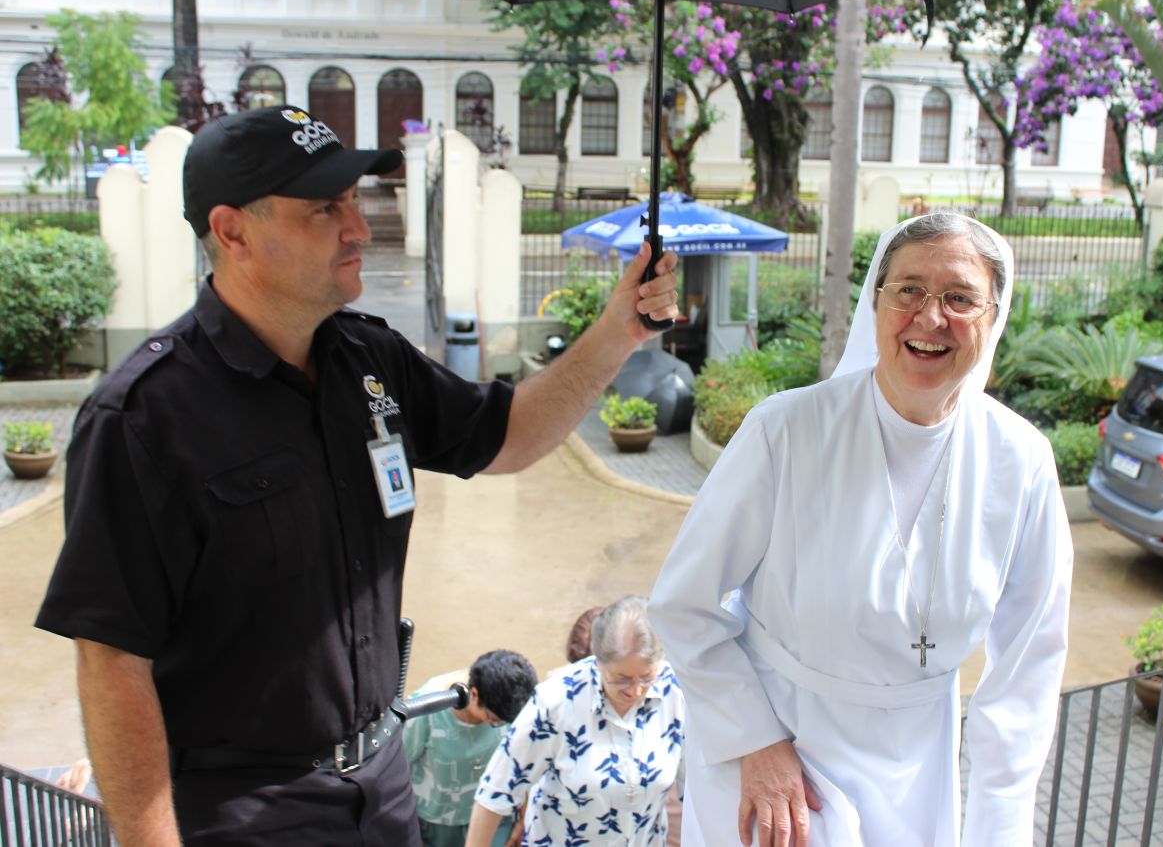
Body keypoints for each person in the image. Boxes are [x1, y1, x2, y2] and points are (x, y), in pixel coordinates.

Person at [33, 104, 678, 846]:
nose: (361, 227)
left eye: (355, 201)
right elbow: (113, 660)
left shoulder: (370, 361)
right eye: (325, 209)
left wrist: (619, 330)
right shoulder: (144, 417)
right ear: (232, 230)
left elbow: (508, 436)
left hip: (383, 787)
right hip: (249, 813)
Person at [648, 212, 1073, 846]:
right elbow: (684, 605)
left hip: (917, 771)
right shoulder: (786, 430)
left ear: (994, 316)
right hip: (779, 759)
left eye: (960, 298)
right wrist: (756, 742)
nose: (930, 319)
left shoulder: (1022, 459)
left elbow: (1027, 674)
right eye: (909, 290)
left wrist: (999, 828)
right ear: (876, 301)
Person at [465, 596, 686, 846]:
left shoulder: (675, 691)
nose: (635, 691)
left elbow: (696, 786)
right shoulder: (556, 701)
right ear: (598, 662)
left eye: (646, 677)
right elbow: (494, 793)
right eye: (622, 679)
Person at [403, 650, 537, 847]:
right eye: (494, 721)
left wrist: (524, 817)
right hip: (440, 823)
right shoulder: (426, 709)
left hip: (496, 813)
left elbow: (525, 760)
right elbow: (396, 769)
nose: (502, 726)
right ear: (474, 695)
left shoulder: (514, 703)